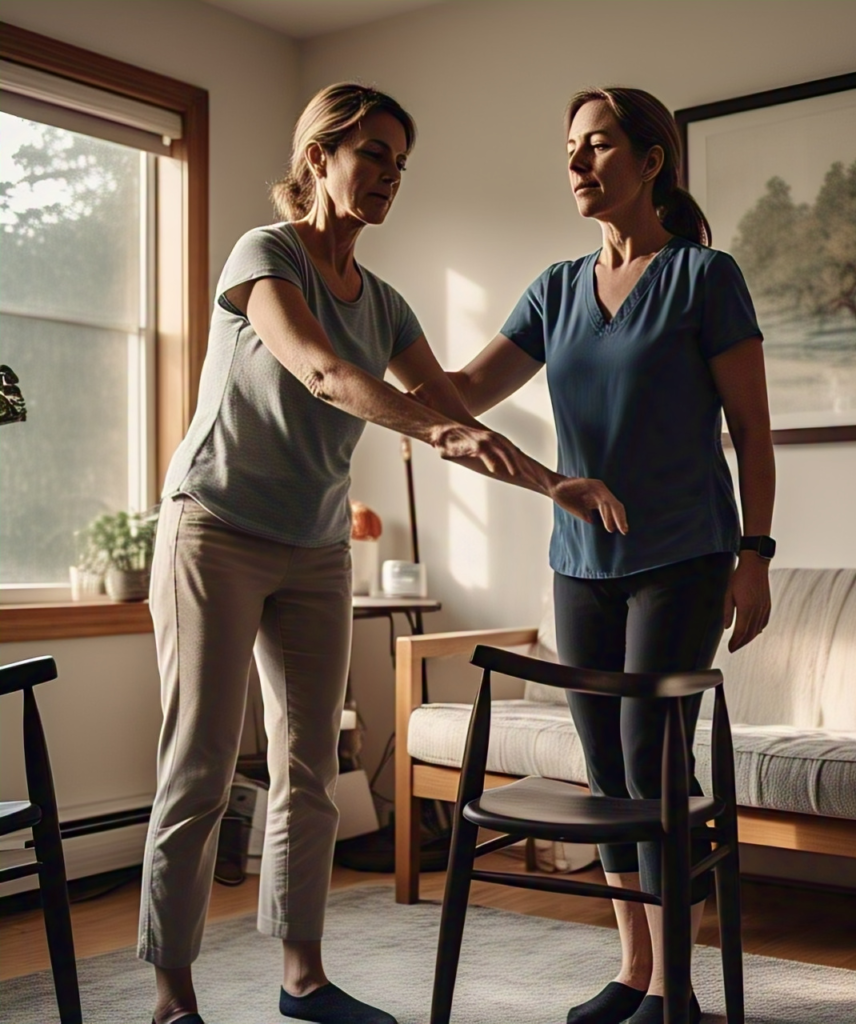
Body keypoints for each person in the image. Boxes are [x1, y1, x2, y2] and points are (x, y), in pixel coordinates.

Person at [138, 83, 625, 1024]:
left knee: (312, 765)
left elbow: (448, 404)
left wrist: (549, 481)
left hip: (315, 544)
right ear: (318, 157)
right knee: (198, 764)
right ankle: (171, 997)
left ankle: (303, 980)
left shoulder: (388, 301)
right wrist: (441, 438)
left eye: (399, 162)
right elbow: (323, 373)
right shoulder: (264, 255)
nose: (388, 176)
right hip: (215, 526)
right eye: (372, 154)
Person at [436, 87, 776, 1024]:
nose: (578, 164)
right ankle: (633, 973)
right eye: (570, 150)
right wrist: (366, 337)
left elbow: (751, 431)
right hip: (579, 561)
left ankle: (678, 989)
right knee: (603, 766)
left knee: (650, 759)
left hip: (685, 554)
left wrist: (756, 554)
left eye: (597, 147)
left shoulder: (705, 277)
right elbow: (463, 390)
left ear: (651, 160)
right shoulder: (554, 290)